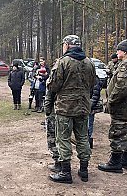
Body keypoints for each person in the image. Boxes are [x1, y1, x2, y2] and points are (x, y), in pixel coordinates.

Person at [47, 35, 95, 184]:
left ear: (67, 45)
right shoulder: (89, 63)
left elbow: (54, 85)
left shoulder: (63, 62)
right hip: (83, 106)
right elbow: (93, 84)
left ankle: (65, 172)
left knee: (63, 138)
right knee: (82, 137)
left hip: (65, 107)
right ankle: (84, 170)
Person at [98, 39, 127, 173]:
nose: (117, 52)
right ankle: (126, 160)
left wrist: (111, 100)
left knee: (118, 133)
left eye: (118, 50)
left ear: (124, 51)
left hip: (123, 107)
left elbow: (122, 86)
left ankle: (115, 162)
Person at [44, 89, 60, 172]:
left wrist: (47, 111)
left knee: (52, 137)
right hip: (70, 111)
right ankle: (83, 168)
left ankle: (58, 163)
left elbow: (50, 94)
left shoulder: (57, 77)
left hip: (55, 111)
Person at [88, 75, 103, 149]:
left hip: (90, 106)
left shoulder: (94, 79)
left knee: (89, 124)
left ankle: (89, 140)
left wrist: (90, 105)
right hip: (84, 105)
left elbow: (95, 95)